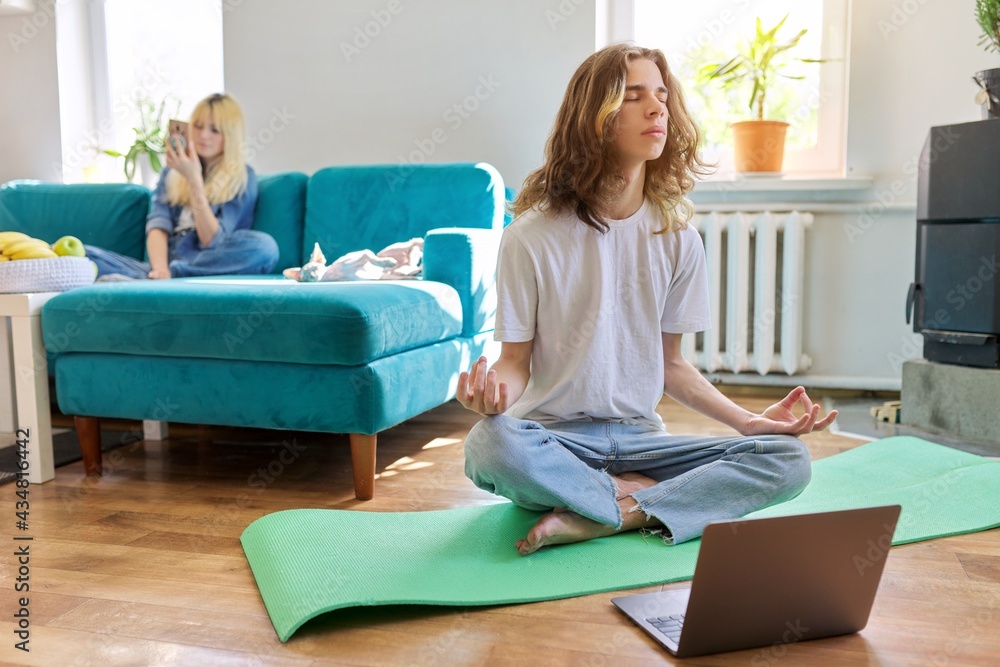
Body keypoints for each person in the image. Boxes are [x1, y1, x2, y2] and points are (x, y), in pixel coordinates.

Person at [457, 44, 837, 556]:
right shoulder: (530, 236)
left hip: (643, 439)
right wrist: (491, 397)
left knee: (788, 458)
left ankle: (613, 511)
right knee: (488, 446)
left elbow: (671, 364)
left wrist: (748, 423)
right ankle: (644, 500)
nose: (657, 108)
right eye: (633, 97)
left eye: (661, 95)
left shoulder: (678, 236)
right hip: (555, 441)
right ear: (592, 118)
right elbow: (514, 363)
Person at [87, 93, 278, 279]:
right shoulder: (171, 173)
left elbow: (212, 241)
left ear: (230, 135)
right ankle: (153, 277)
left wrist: (194, 179)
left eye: (215, 129)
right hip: (165, 262)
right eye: (198, 126)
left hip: (206, 260)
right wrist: (160, 271)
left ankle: (172, 274)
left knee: (265, 248)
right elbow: (158, 225)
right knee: (81, 253)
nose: (203, 135)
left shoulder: (242, 177)